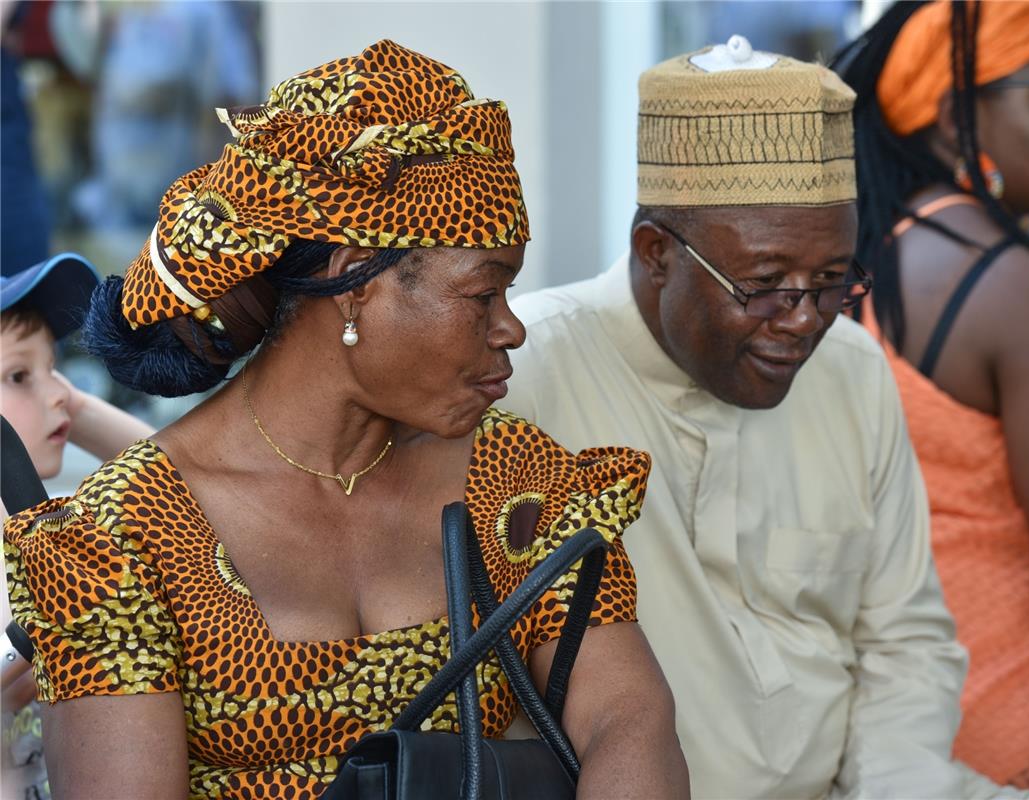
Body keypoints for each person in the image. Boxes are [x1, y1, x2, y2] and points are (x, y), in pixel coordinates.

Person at [3, 41, 688, 800]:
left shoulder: (517, 483)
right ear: (355, 282)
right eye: (481, 293)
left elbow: (628, 718)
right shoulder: (118, 537)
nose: (511, 328)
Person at [502, 36, 1014, 799]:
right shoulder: (525, 376)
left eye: (834, 280)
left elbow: (904, 638)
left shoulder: (851, 368)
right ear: (655, 253)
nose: (804, 320)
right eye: (765, 283)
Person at [832, 1, 1029, 791]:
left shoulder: (863, 258)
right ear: (960, 120)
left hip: (898, 725)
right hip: (1019, 726)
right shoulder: (1012, 286)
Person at [1, 252, 153, 800]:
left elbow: (177, 484)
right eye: (18, 374)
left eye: (56, 367)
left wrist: (74, 406)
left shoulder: (60, 519)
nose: (60, 390)